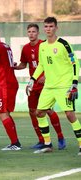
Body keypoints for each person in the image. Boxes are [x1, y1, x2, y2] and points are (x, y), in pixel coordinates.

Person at [27, 17, 81, 154]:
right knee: (39, 113)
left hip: (64, 86)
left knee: (69, 114)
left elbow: (75, 63)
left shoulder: (63, 44)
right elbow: (41, 65)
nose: (48, 29)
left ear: (56, 28)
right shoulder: (43, 46)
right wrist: (32, 79)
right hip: (49, 87)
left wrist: (74, 83)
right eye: (46, 26)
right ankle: (47, 145)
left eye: (51, 26)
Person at [14, 23, 66, 150]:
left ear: (38, 33)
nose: (31, 34)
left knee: (47, 110)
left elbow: (52, 64)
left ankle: (60, 137)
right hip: (33, 84)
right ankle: (42, 140)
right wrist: (13, 67)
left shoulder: (44, 45)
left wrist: (46, 76)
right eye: (29, 32)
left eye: (33, 32)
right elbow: (23, 64)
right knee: (32, 111)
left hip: (45, 84)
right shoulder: (25, 48)